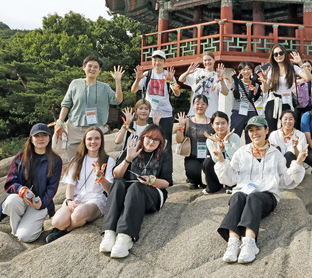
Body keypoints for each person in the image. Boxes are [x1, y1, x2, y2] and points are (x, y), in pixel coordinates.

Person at [214, 115, 308, 264]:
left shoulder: (276, 154)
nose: (254, 133)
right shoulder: (241, 152)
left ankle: (250, 243)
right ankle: (233, 242)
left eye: (258, 129)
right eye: (251, 130)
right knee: (237, 196)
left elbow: (285, 181)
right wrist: (221, 160)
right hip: (244, 193)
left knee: (254, 197)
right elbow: (230, 179)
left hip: (266, 196)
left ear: (267, 130)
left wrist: (298, 162)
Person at [99, 124, 172, 258]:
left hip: (152, 194)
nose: (151, 142)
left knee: (136, 187)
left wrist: (152, 180)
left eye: (156, 140)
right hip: (128, 194)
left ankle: (125, 236)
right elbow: (117, 174)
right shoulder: (131, 149)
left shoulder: (164, 155)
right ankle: (109, 232)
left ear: (160, 142)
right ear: (143, 137)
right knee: (119, 183)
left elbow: (167, 183)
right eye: (149, 138)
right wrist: (128, 159)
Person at [46, 127, 116, 243]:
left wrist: (101, 178)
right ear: (84, 141)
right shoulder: (77, 159)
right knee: (56, 221)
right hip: (75, 199)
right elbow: (70, 185)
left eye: (97, 138)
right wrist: (69, 200)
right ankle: (61, 227)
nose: (93, 142)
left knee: (77, 215)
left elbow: (110, 190)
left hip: (95, 200)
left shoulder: (108, 161)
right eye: (89, 139)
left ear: (101, 141)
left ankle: (64, 231)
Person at [0, 123, 62, 243]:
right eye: (37, 135)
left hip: (39, 202)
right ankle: (17, 229)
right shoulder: (21, 156)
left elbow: (52, 188)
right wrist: (21, 190)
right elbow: (10, 182)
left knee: (25, 237)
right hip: (20, 199)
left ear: (49, 138)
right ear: (31, 139)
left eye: (44, 135)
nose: (41, 138)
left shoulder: (56, 160)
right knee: (12, 201)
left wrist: (41, 203)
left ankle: (29, 227)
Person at [55, 55, 124, 160]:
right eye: (89, 66)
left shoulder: (104, 87)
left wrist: (118, 81)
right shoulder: (75, 83)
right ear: (84, 67)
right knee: (74, 161)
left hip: (95, 129)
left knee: (94, 160)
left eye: (96, 67)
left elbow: (118, 100)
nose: (92, 69)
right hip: (75, 128)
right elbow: (66, 104)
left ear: (99, 70)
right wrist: (60, 121)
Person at [131, 50, 180, 168]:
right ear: (152, 61)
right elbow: (133, 90)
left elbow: (177, 93)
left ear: (164, 62)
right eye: (155, 60)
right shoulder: (147, 75)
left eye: (160, 60)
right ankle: (148, 168)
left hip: (165, 114)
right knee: (148, 142)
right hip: (150, 114)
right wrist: (138, 79)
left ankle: (167, 173)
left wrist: (171, 81)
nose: (157, 62)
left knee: (166, 143)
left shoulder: (168, 75)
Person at [260, 44, 312, 132]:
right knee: (272, 130)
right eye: (275, 54)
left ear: (285, 54)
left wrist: (300, 63)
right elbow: (265, 90)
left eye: (280, 53)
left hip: (287, 101)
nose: (278, 56)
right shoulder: (271, 70)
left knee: (287, 129)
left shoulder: (292, 68)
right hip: (273, 102)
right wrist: (264, 78)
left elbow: (309, 78)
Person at [175, 94, 213, 189]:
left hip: (208, 156)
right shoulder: (187, 121)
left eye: (203, 104)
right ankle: (194, 180)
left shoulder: (212, 122)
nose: (200, 106)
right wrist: (181, 126)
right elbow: (179, 140)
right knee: (193, 173)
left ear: (207, 106)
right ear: (193, 105)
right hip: (192, 155)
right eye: (197, 103)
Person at [178, 51, 229, 119]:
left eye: (209, 60)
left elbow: (225, 92)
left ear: (214, 60)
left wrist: (221, 79)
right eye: (205, 60)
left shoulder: (217, 75)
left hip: (210, 114)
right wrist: (187, 72)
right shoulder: (197, 72)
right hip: (194, 113)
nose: (207, 62)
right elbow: (181, 79)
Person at [203, 111, 242, 194]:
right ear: (212, 125)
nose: (220, 126)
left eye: (223, 123)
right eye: (217, 124)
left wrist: (226, 142)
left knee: (235, 161)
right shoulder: (210, 140)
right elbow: (215, 160)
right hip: (219, 165)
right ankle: (214, 186)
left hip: (232, 167)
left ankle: (231, 185)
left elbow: (233, 157)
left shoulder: (235, 137)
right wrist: (216, 143)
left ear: (228, 123)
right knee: (207, 162)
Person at [229, 61, 262, 144]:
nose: (246, 72)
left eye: (248, 69)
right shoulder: (235, 82)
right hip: (238, 111)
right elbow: (236, 96)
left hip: (251, 112)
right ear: (240, 71)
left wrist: (253, 82)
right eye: (243, 69)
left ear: (251, 71)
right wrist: (236, 81)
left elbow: (252, 97)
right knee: (234, 136)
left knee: (251, 138)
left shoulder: (256, 85)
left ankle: (251, 156)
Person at [293, 59, 312, 127]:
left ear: (311, 68)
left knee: (306, 126)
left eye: (308, 66)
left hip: (308, 106)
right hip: (296, 105)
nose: (307, 68)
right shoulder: (295, 79)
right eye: (304, 66)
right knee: (296, 126)